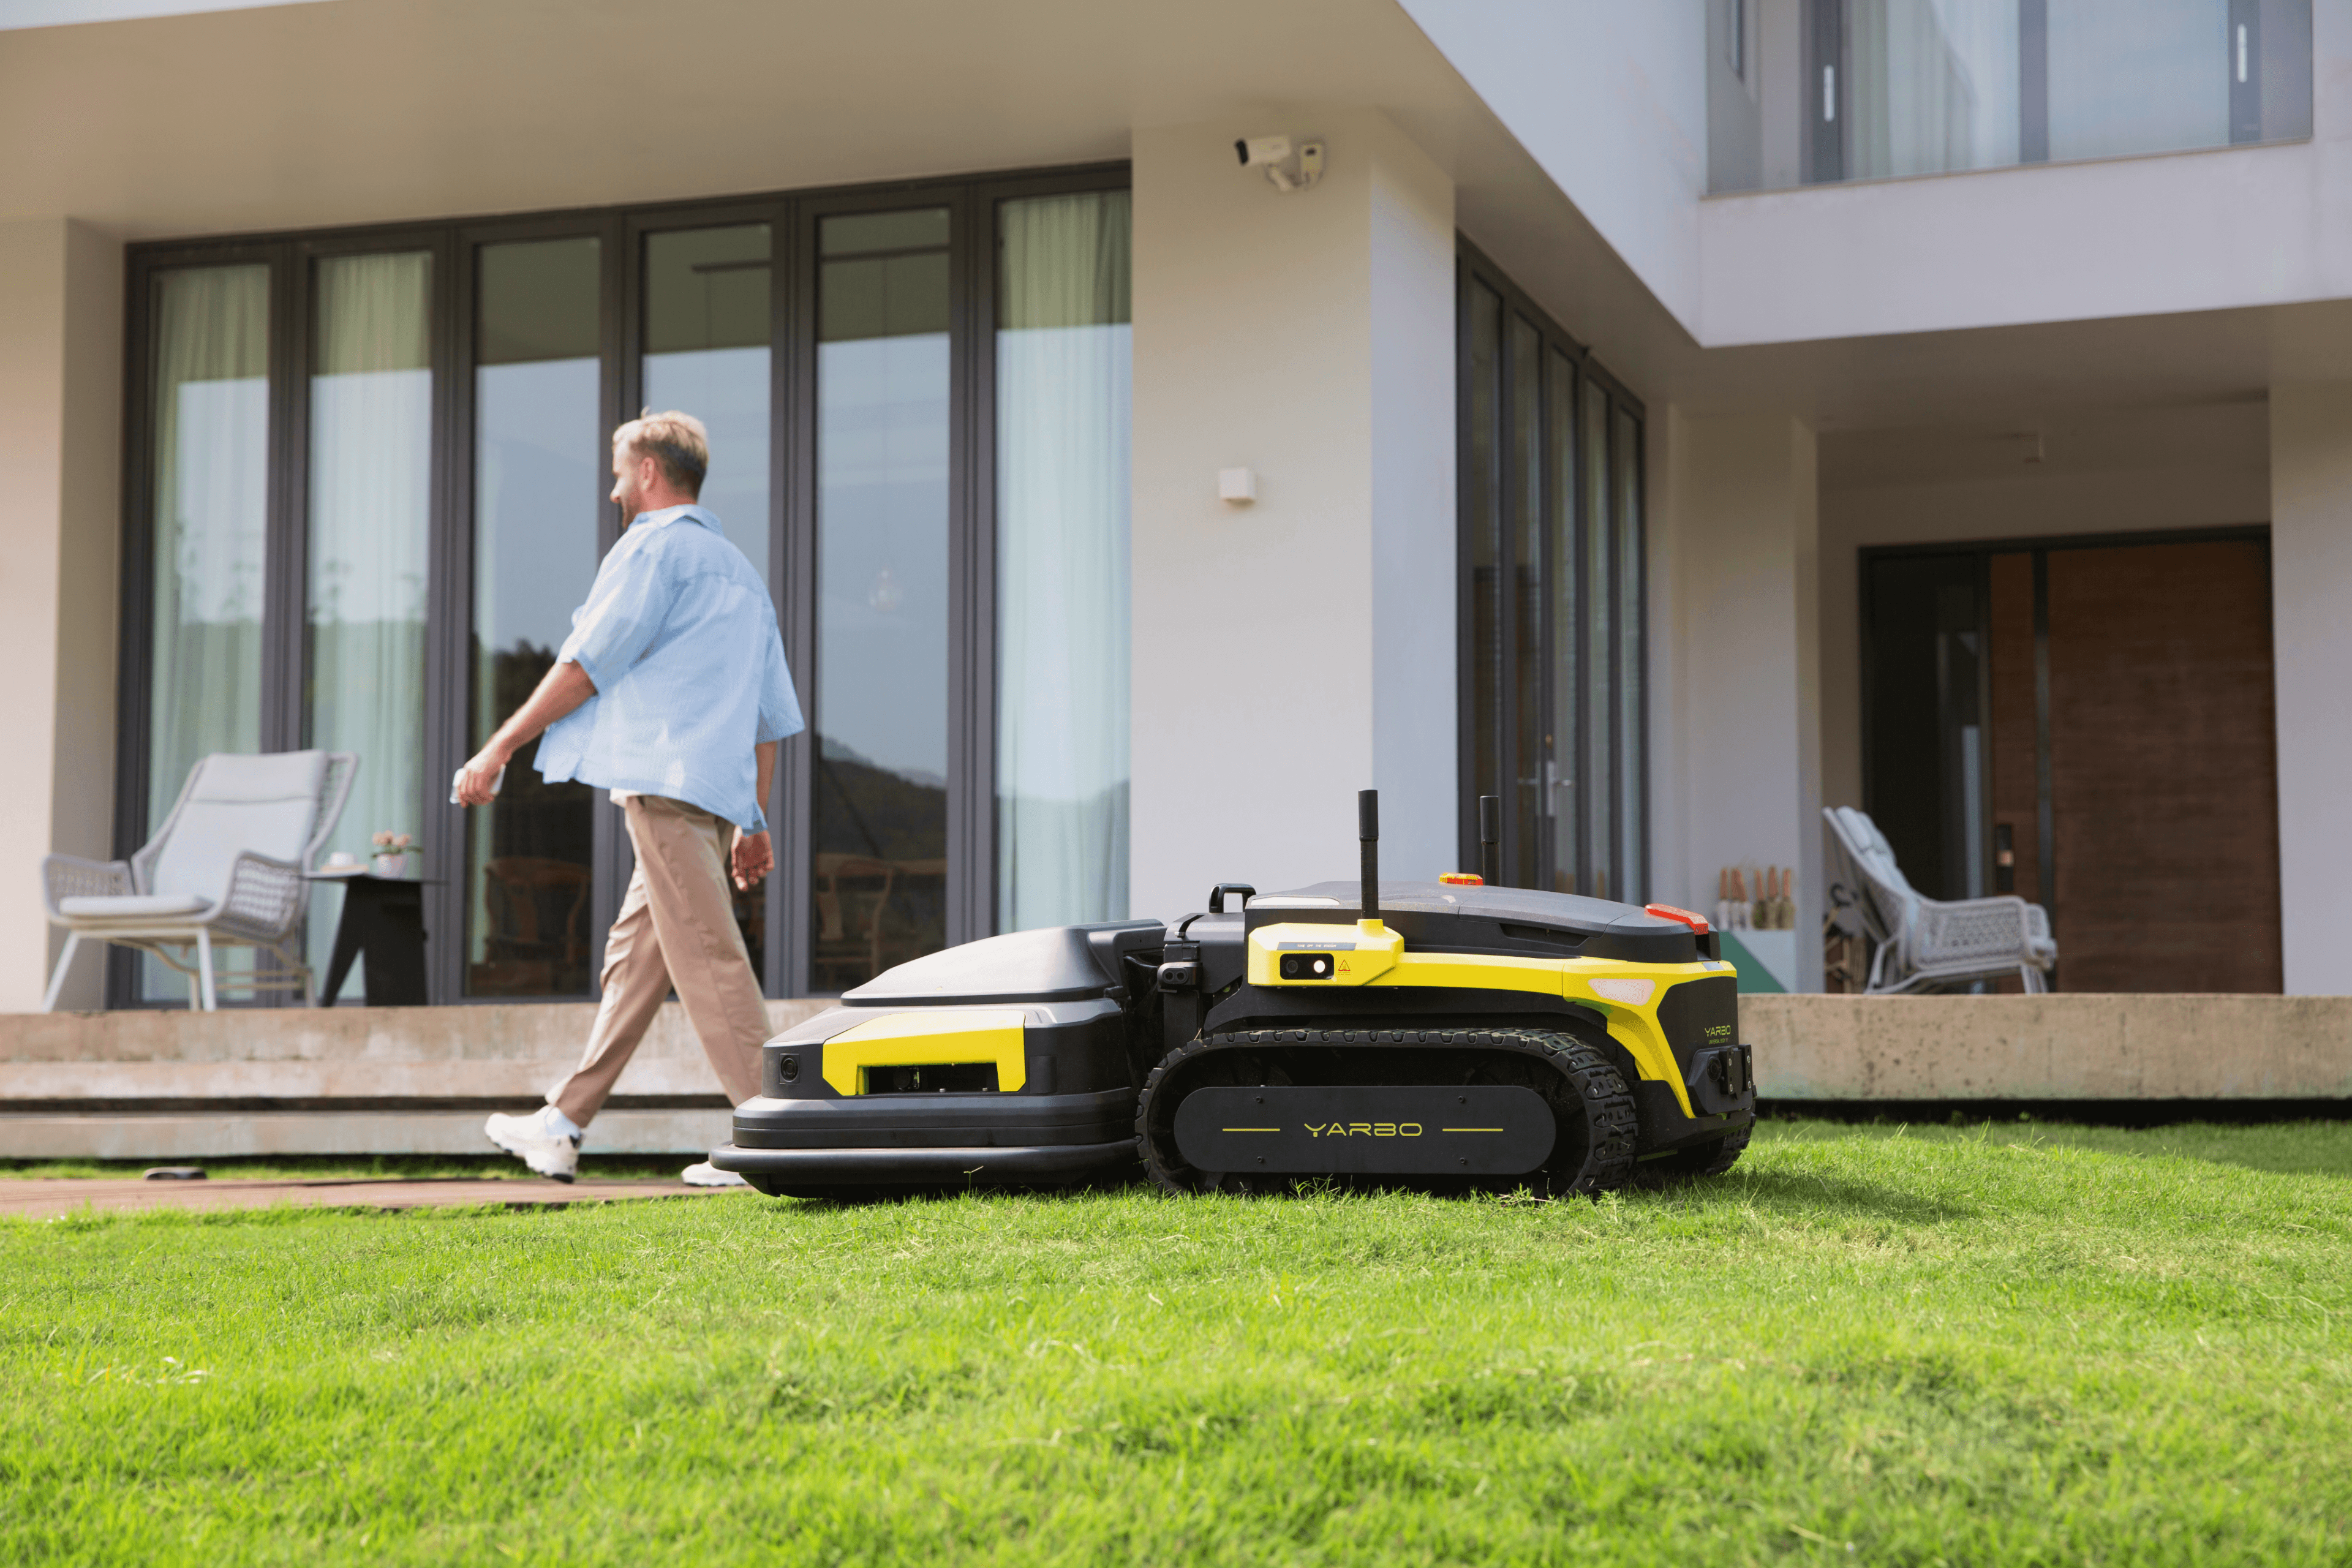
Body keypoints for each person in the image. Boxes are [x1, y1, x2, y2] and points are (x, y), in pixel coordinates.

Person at [465, 410, 801, 1186]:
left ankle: (776, 1134)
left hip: (666, 788)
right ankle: (563, 1120)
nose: (612, 485)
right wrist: (752, 817)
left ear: (649, 471)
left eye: (619, 468)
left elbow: (586, 664)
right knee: (637, 960)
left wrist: (500, 745)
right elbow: (768, 715)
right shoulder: (740, 572)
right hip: (710, 802)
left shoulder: (652, 548)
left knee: (711, 959)